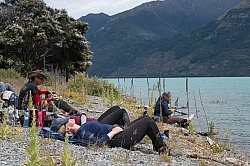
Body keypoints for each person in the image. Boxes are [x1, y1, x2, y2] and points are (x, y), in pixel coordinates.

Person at [50, 115, 167, 155]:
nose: (69, 119)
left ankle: (159, 144)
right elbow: (98, 143)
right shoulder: (81, 133)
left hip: (119, 133)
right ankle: (161, 149)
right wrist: (114, 132)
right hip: (120, 138)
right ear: (67, 128)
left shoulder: (81, 129)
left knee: (145, 118)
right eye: (67, 121)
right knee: (148, 122)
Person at [43, 105, 130, 127]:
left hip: (95, 121)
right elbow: (82, 125)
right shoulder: (64, 124)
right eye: (53, 117)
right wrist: (82, 115)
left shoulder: (63, 120)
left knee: (116, 108)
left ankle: (121, 127)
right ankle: (128, 128)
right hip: (97, 125)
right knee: (122, 111)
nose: (55, 116)